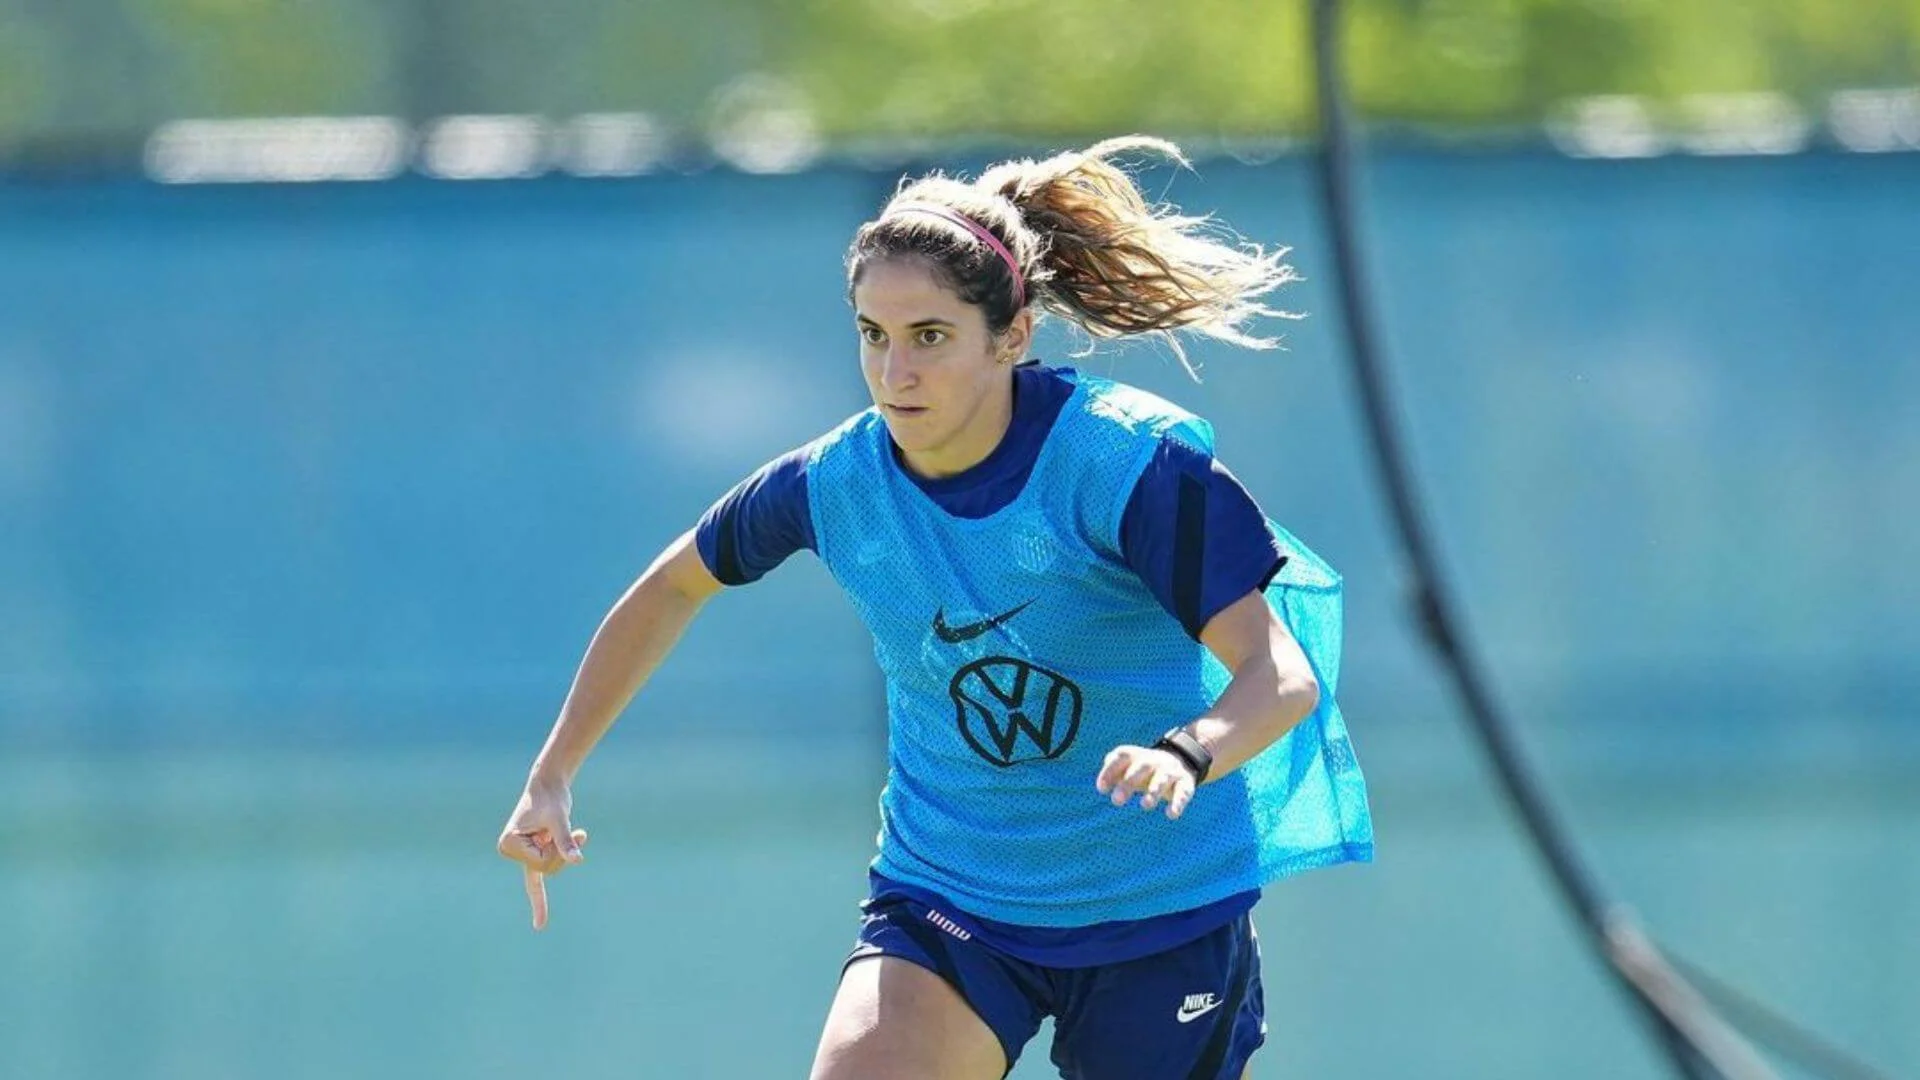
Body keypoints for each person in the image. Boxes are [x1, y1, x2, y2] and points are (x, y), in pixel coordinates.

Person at [496, 135, 1374, 1080]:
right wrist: (552, 775)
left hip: (1158, 903)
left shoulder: (1129, 467)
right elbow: (673, 585)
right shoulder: (834, 481)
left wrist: (1185, 752)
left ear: (1012, 335)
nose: (894, 374)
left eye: (930, 338)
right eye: (873, 334)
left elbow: (1278, 674)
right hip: (951, 899)